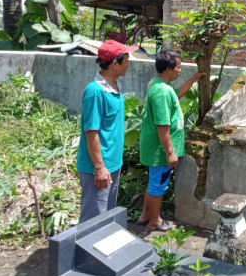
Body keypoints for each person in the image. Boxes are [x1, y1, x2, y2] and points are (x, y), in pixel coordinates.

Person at [137, 50, 206, 231]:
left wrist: (195, 78)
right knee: (158, 185)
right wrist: (170, 152)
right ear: (168, 68)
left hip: (158, 148)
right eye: (178, 67)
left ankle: (145, 215)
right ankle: (155, 221)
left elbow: (177, 94)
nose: (180, 70)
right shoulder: (161, 92)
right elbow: (162, 125)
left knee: (154, 181)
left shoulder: (160, 84)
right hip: (160, 150)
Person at [77, 39, 138, 223]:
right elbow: (91, 132)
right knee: (93, 219)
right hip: (99, 167)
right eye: (126, 59)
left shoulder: (115, 87)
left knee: (105, 216)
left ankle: (98, 251)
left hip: (112, 164)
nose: (129, 63)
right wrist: (99, 167)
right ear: (114, 63)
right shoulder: (95, 92)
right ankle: (82, 253)